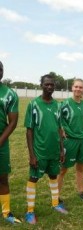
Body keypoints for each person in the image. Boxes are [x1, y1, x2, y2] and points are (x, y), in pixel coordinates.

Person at [24, 74, 67, 225]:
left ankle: (55, 203)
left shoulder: (58, 105)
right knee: (34, 178)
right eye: (47, 84)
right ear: (41, 85)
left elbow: (59, 129)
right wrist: (31, 155)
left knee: (53, 176)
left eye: (52, 85)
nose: (49, 87)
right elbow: (29, 131)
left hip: (54, 150)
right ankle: (29, 211)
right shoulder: (33, 104)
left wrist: (62, 150)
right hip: (39, 151)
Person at [57, 78, 83, 201]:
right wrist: (62, 129)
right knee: (63, 169)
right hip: (70, 141)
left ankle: (81, 192)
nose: (78, 89)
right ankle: (56, 196)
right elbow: (57, 119)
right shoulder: (65, 104)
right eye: (76, 86)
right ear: (72, 88)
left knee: (80, 168)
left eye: (80, 87)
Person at [0, 61, 21, 224]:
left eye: (0, 69)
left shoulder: (10, 94)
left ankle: (6, 212)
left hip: (1, 143)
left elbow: (13, 122)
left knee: (2, 178)